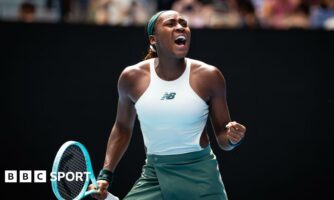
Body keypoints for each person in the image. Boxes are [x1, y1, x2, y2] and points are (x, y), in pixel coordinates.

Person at [89, 10, 247, 200]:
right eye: (171, 24)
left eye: (183, 23)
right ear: (153, 40)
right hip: (154, 173)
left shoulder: (209, 76)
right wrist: (106, 174)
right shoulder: (131, 78)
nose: (180, 27)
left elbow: (223, 138)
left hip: (201, 175)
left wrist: (232, 138)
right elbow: (122, 128)